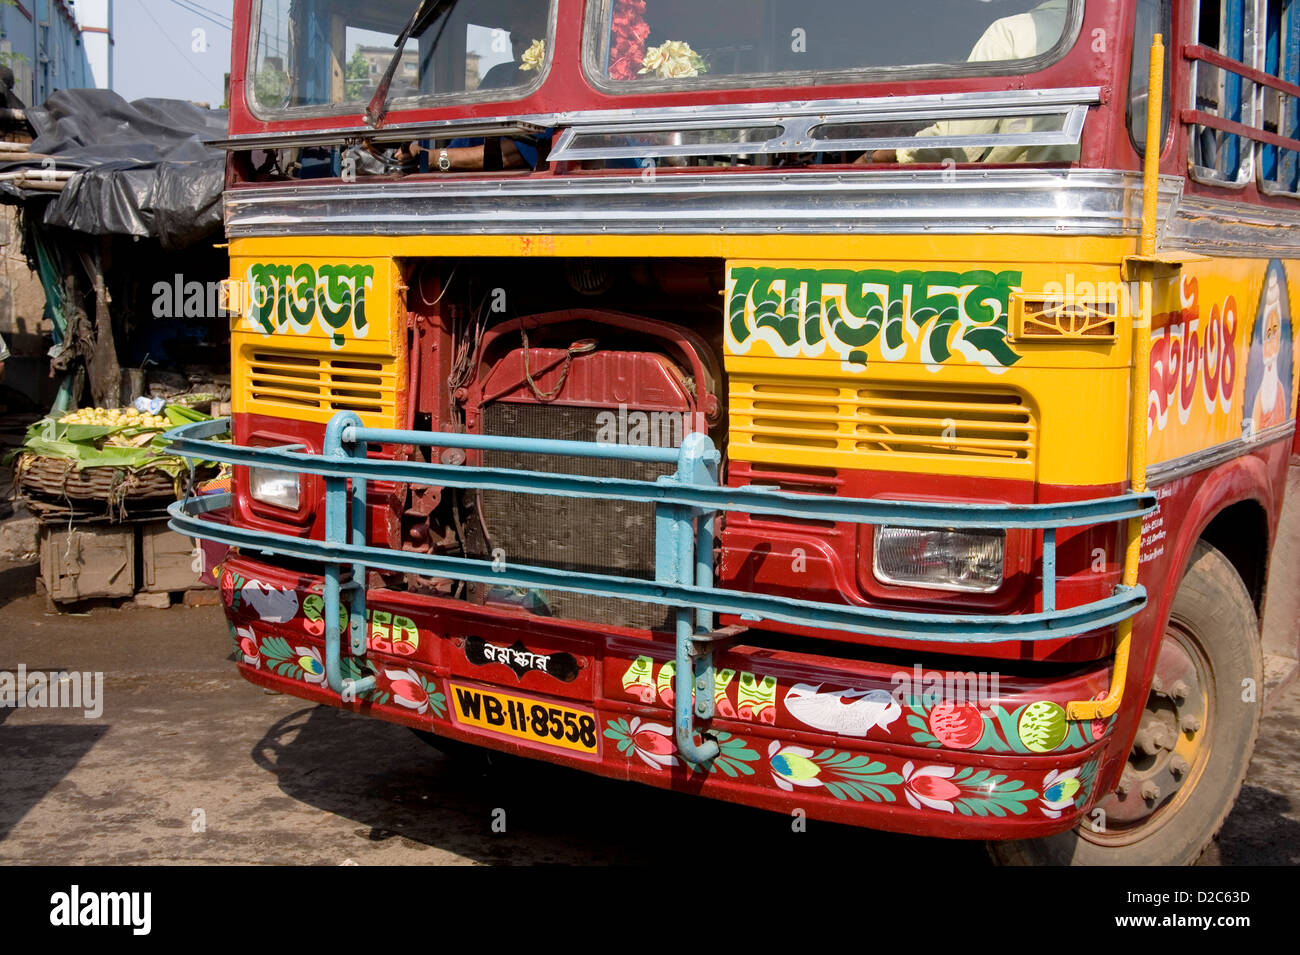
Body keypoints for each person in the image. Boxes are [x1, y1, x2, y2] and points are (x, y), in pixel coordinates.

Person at [860, 0, 1070, 165]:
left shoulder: (1009, 33)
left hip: (1018, 199)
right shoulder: (1100, 37)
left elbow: (959, 141)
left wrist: (881, 156)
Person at [397, 9, 552, 172]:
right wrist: (424, 158)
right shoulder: (497, 76)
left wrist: (434, 159)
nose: (514, 31)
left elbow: (517, 153)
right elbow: (467, 138)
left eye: (528, 17)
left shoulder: (558, 80)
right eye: (512, 21)